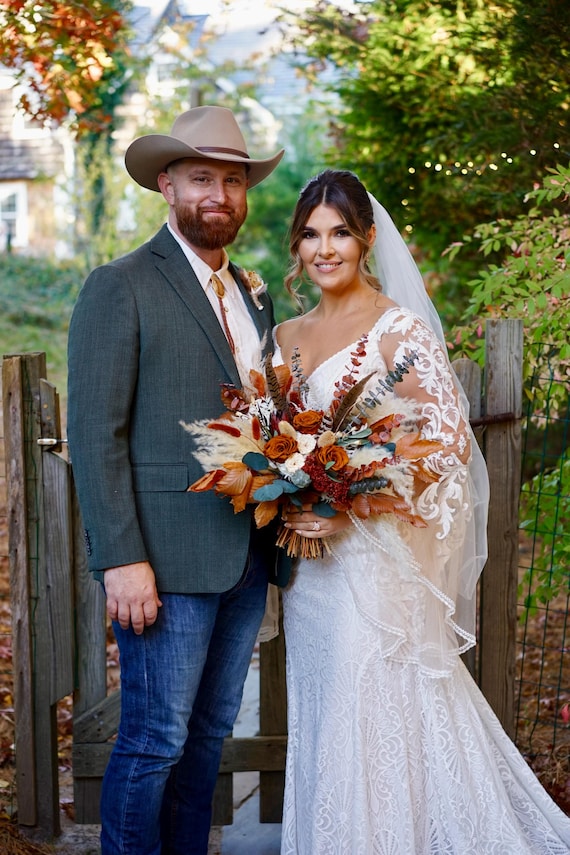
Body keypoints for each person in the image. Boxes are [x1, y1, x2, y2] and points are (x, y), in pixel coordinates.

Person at [274, 169, 570, 853]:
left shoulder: (395, 330)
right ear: (297, 246)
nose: (325, 249)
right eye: (312, 235)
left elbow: (444, 448)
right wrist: (289, 492)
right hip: (310, 573)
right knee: (325, 711)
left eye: (340, 232)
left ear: (367, 239)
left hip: (374, 566)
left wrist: (352, 509)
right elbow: (281, 435)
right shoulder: (286, 333)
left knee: (376, 708)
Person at [67, 105, 287, 855]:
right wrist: (121, 558)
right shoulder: (120, 284)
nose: (218, 194)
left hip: (246, 555)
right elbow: (97, 435)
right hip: (161, 562)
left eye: (232, 180)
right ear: (167, 184)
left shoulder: (254, 294)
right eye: (201, 178)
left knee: (208, 741)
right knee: (154, 741)